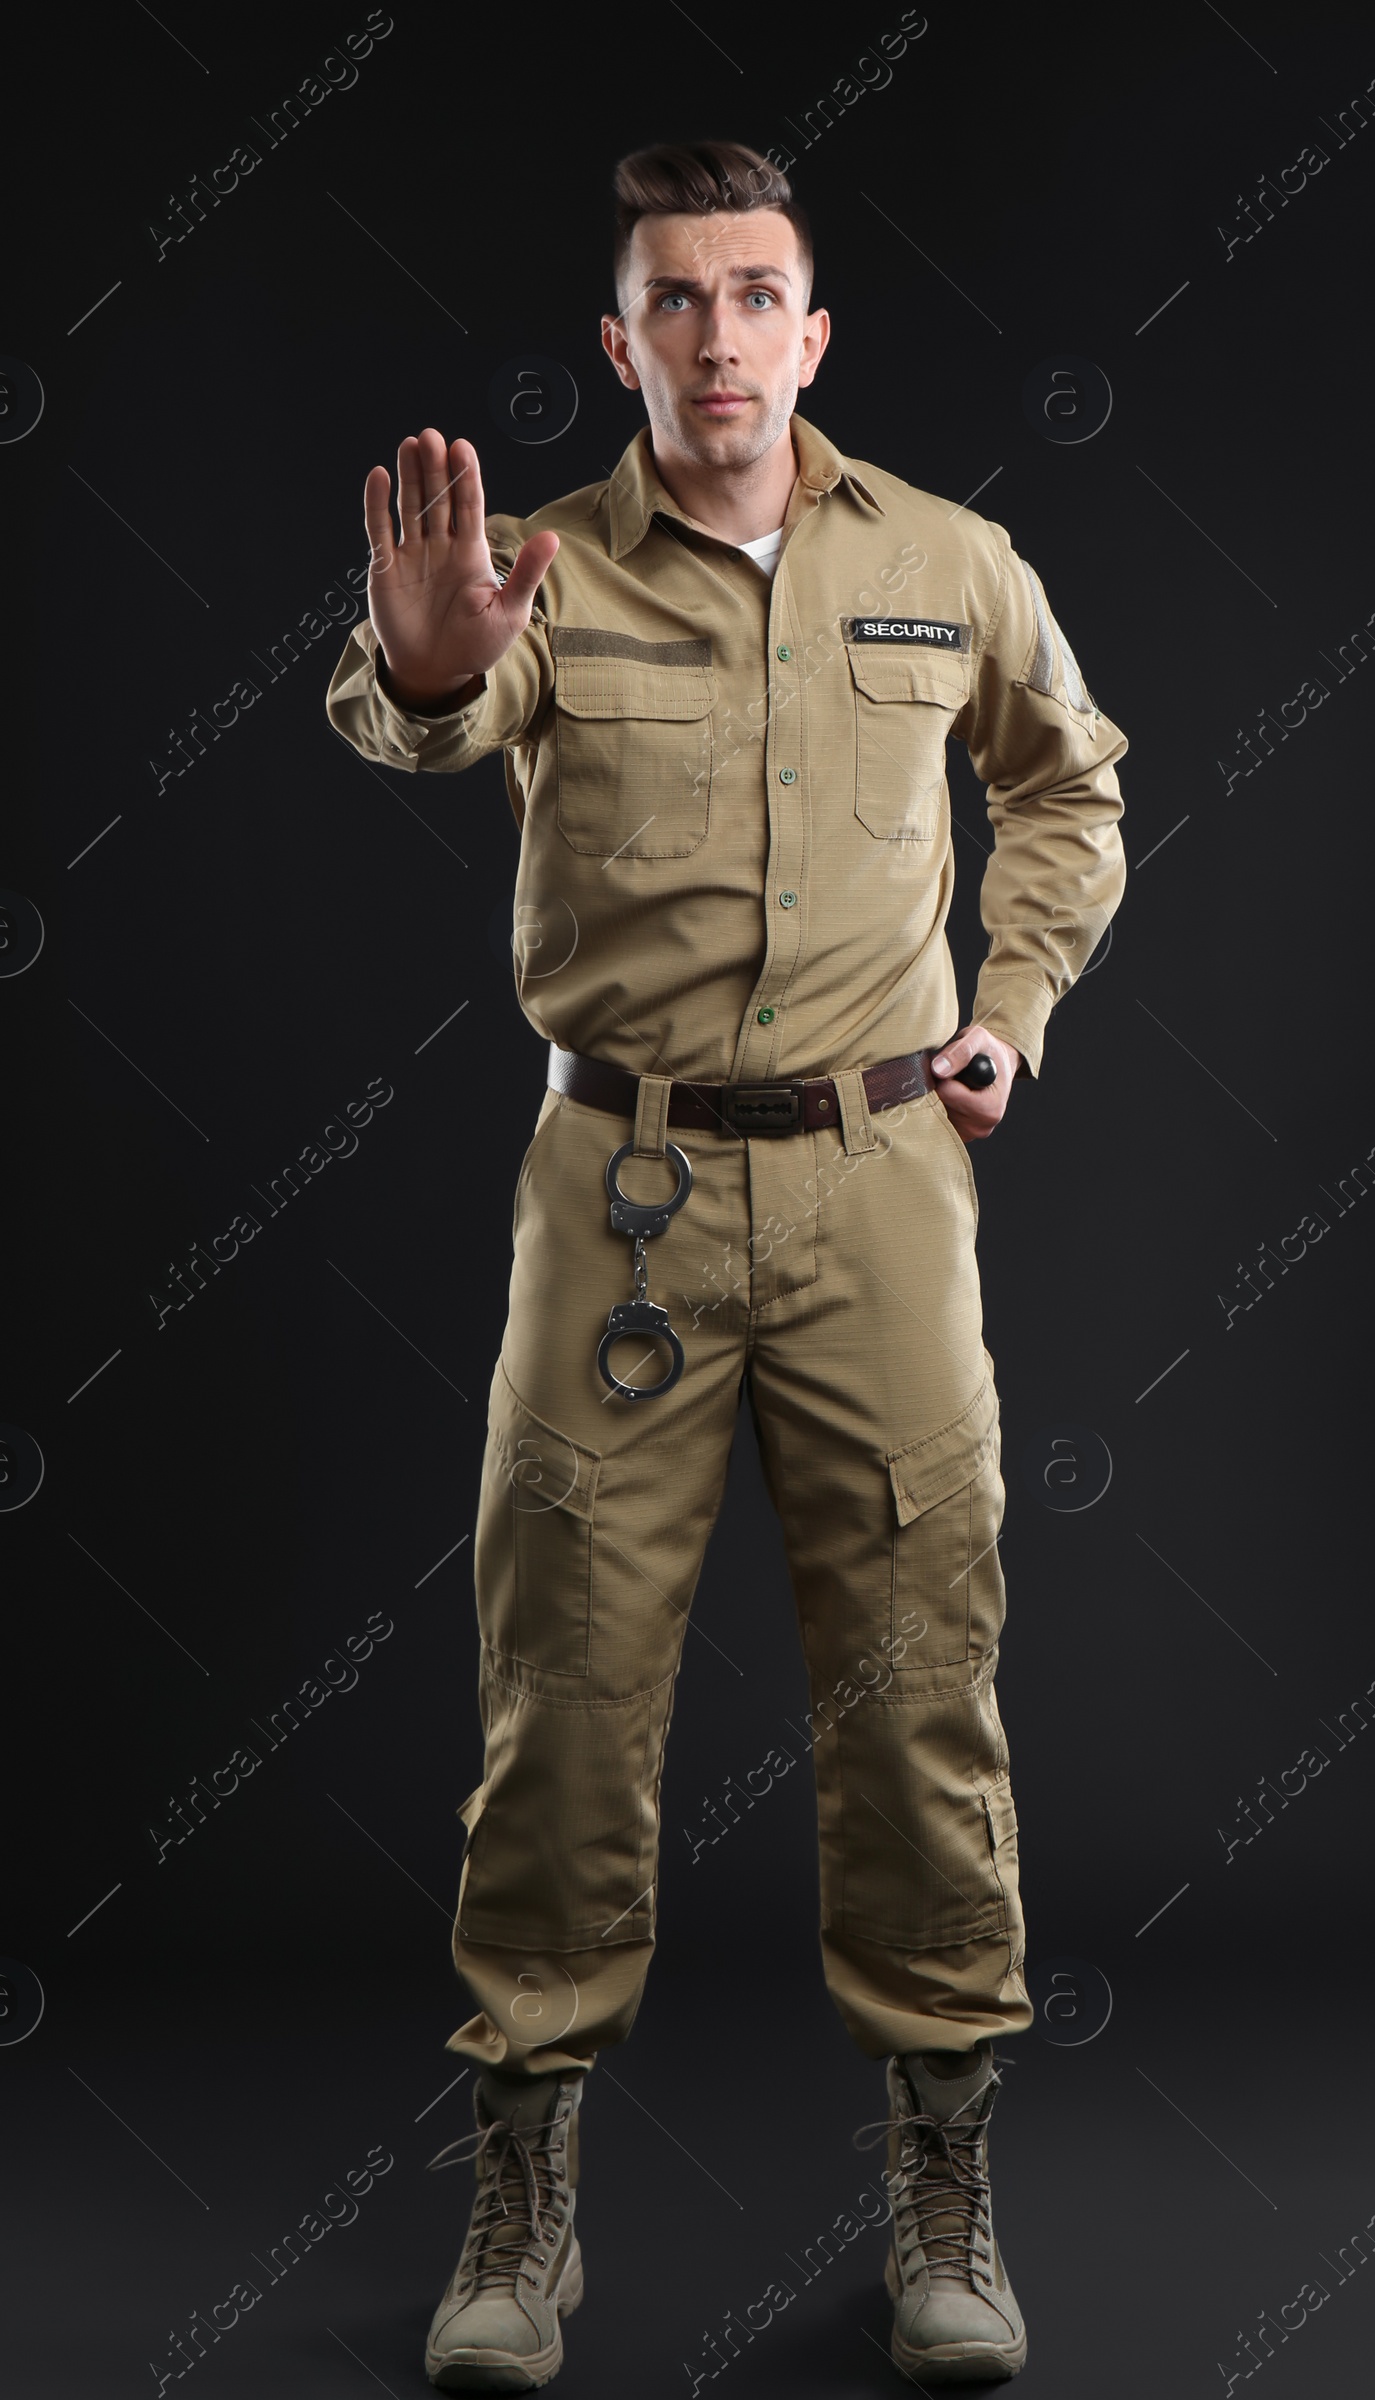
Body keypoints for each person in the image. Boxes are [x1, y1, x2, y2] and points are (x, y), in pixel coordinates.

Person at [325, 137, 1128, 2392]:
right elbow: (424, 704)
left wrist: (1013, 1006)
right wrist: (412, 668)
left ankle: (945, 2188)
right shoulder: (542, 574)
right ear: (619, 342)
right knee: (562, 1692)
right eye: (669, 300)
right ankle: (522, 2190)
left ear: (812, 330)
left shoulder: (945, 561)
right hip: (624, 1204)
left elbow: (1070, 784)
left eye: (750, 292)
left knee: (918, 1675)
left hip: (883, 1191)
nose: (713, 336)